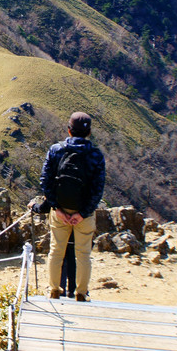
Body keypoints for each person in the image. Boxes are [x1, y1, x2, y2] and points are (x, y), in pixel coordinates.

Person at [38, 111, 106, 302]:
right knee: (83, 254)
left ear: (69, 130)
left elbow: (46, 181)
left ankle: (54, 290)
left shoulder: (56, 150)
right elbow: (97, 189)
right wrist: (83, 213)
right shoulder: (95, 155)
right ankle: (81, 293)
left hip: (59, 211)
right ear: (89, 132)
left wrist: (56, 208)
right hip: (84, 214)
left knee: (56, 251)